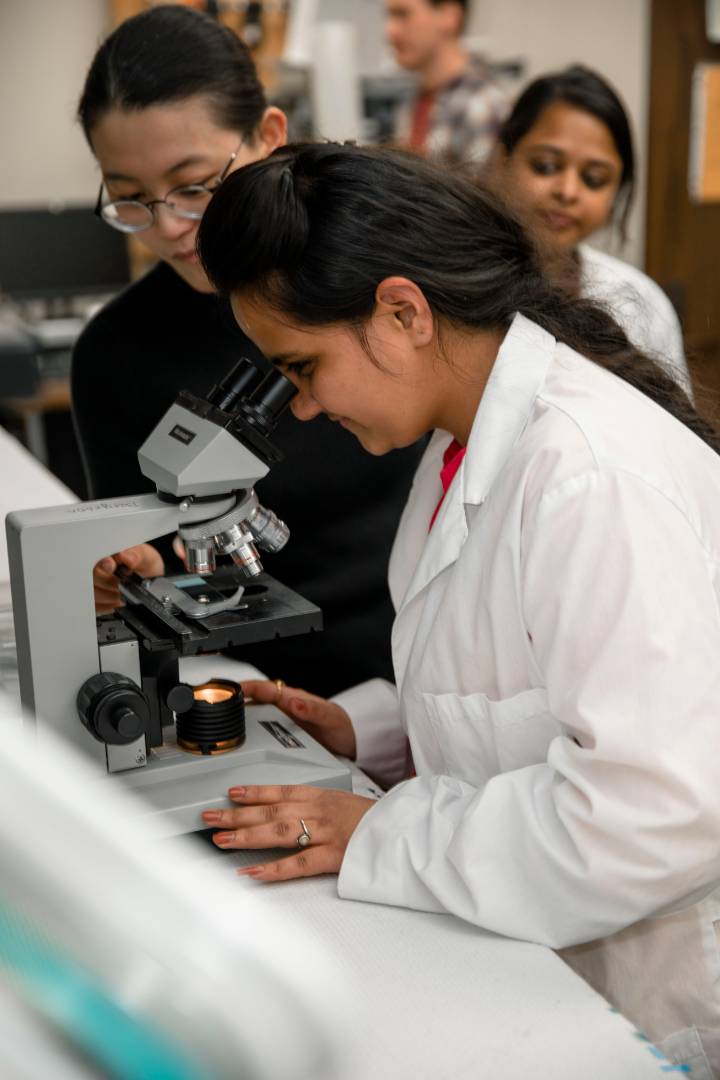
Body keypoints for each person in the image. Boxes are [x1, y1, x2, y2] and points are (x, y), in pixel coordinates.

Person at [196, 142, 720, 1078]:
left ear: (402, 312)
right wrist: (366, 731)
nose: (305, 407)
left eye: (303, 366)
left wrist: (376, 831)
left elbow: (653, 807)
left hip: (658, 995)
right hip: (543, 962)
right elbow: (527, 682)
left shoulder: (587, 475)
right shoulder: (464, 443)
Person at [71, 5, 425, 698]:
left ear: (267, 135)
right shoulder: (113, 353)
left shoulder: (386, 286)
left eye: (196, 186)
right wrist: (122, 567)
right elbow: (133, 571)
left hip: (428, 669)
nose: (170, 226)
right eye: (131, 199)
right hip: (249, 685)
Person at [492, 64, 689, 387]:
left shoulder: (640, 302)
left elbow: (675, 429)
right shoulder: (457, 286)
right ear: (503, 160)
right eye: (545, 166)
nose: (567, 191)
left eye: (594, 179)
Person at [386, 0, 507, 164]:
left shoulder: (481, 104)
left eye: (403, 14)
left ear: (449, 16)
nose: (390, 31)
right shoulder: (413, 99)